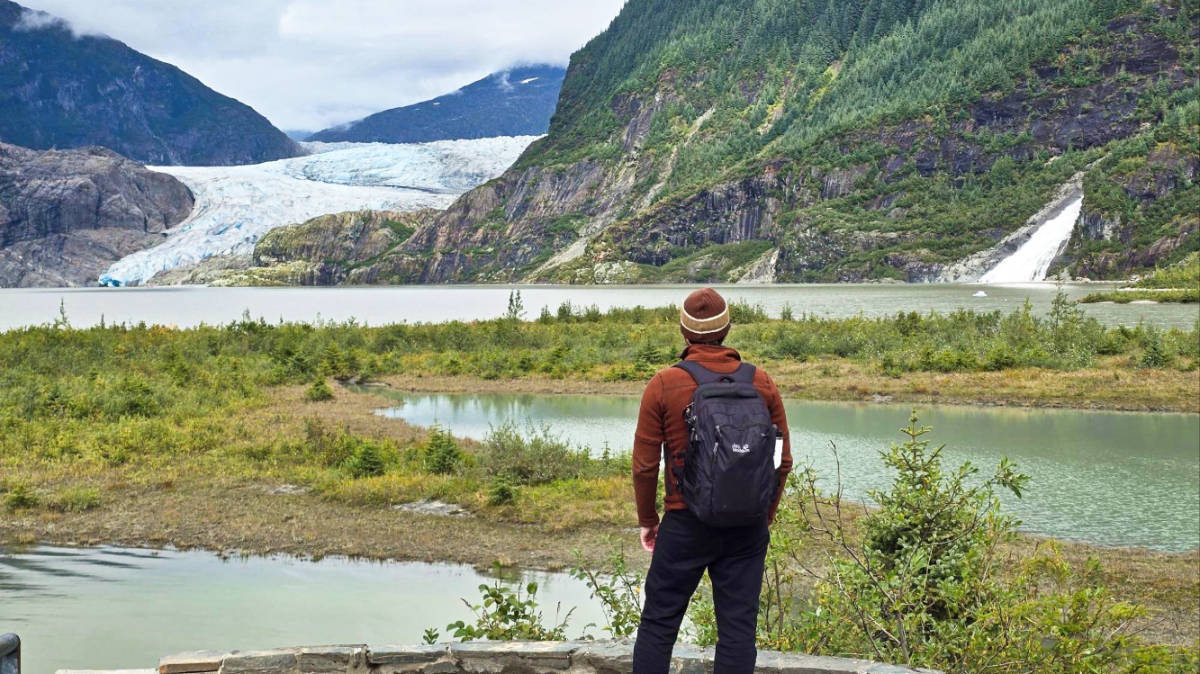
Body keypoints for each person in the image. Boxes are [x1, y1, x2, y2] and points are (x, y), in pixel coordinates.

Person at [631, 287, 792, 673]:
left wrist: (648, 520)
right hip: (747, 528)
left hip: (685, 523)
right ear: (728, 328)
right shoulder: (762, 382)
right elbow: (782, 461)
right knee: (738, 633)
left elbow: (644, 466)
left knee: (658, 624)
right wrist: (763, 515)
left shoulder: (664, 383)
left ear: (684, 333)